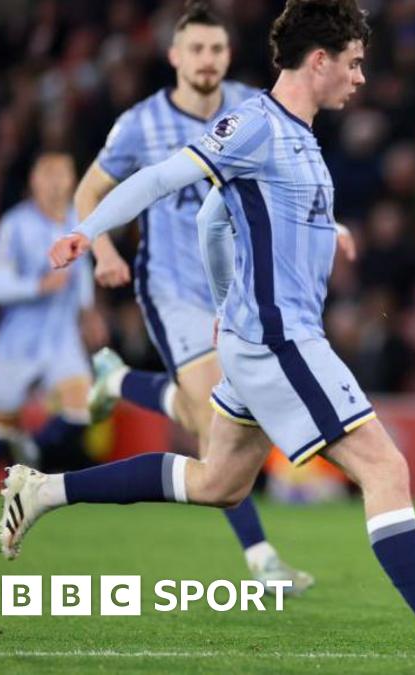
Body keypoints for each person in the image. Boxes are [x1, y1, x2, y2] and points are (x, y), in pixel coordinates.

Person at [2, 0, 415, 664]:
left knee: (218, 482)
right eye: (354, 63)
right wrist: (86, 231)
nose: (361, 77)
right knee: (385, 466)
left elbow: (212, 222)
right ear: (320, 61)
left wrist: (236, 292)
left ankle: (43, 488)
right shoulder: (257, 125)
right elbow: (163, 177)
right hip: (282, 341)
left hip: (261, 337)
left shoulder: (298, 133)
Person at [72, 0, 340, 594]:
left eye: (217, 48)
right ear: (174, 55)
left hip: (237, 291)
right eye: (196, 48)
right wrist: (105, 251)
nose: (207, 60)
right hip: (172, 289)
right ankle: (262, 558)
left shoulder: (253, 108)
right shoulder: (140, 123)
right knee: (213, 435)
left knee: (208, 425)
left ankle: (116, 382)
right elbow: (90, 189)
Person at [0, 153, 95, 531]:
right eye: (48, 175)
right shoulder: (15, 225)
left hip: (61, 334)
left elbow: (85, 272)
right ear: (34, 181)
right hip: (20, 338)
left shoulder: (79, 223)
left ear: (73, 180)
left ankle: (32, 451)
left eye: (63, 175)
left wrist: (89, 310)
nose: (56, 183)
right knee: (1, 426)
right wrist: (38, 286)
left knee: (81, 409)